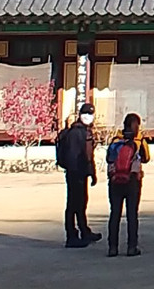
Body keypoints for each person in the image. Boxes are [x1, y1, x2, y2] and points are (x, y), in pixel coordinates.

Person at [106, 112, 151, 257]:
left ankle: (112, 247)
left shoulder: (115, 141)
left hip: (115, 182)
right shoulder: (139, 142)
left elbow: (109, 159)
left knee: (115, 214)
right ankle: (132, 247)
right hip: (132, 181)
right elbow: (146, 158)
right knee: (132, 215)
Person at [58, 102, 100, 248]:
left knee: (81, 203)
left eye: (91, 114)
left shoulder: (85, 131)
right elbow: (74, 156)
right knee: (73, 204)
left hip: (81, 173)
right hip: (75, 173)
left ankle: (84, 231)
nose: (88, 116)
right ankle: (72, 235)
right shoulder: (76, 132)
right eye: (86, 113)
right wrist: (77, 172)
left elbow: (89, 155)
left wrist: (91, 173)